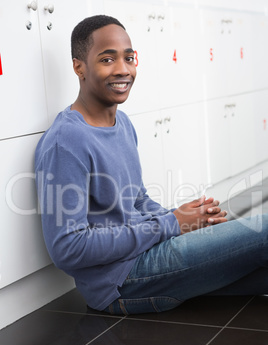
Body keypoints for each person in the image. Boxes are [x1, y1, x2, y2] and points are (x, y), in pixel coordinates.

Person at [35, 15, 268, 315]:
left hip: (147, 253)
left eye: (129, 58)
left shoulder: (123, 123)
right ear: (79, 66)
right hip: (121, 281)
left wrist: (183, 220)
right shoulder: (66, 141)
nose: (123, 69)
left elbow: (138, 199)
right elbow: (67, 248)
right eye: (107, 59)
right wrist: (170, 224)